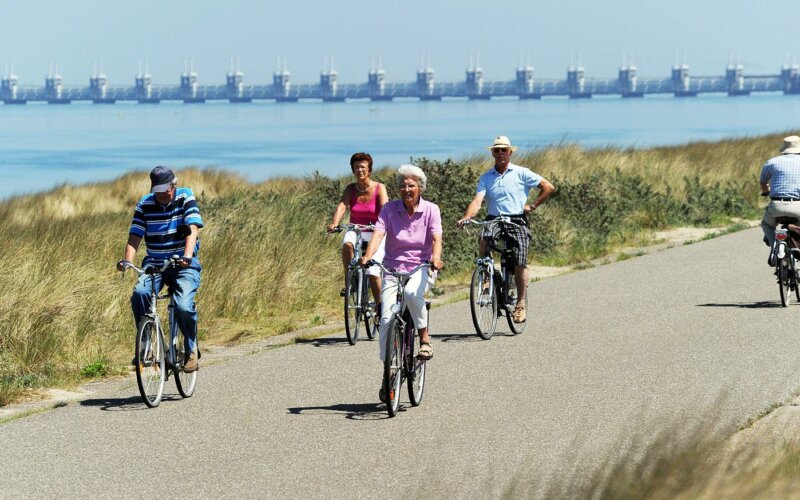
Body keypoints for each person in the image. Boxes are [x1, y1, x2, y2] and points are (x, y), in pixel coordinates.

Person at [361, 164, 443, 399]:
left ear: (420, 187)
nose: (406, 189)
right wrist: (368, 256)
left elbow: (437, 238)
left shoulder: (431, 210)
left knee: (411, 294)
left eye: (411, 185)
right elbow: (378, 234)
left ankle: (424, 338)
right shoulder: (389, 209)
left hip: (422, 266)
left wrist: (436, 258)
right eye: (403, 185)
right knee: (386, 319)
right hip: (392, 267)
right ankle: (388, 371)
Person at [457, 136, 555, 323]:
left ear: (510, 152)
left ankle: (520, 303)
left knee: (520, 260)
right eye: (497, 150)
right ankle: (485, 274)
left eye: (504, 150)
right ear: (492, 153)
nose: (500, 153)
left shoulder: (521, 172)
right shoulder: (486, 177)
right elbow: (477, 201)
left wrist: (532, 206)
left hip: (516, 220)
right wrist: (467, 217)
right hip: (494, 219)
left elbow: (548, 187)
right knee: (484, 237)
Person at [117, 166, 204, 372]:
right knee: (140, 294)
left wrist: (187, 256)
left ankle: (191, 348)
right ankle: (145, 343)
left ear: (174, 185)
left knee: (183, 306)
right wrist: (128, 261)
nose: (163, 193)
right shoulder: (145, 203)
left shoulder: (185, 196)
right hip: (155, 263)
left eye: (166, 188)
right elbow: (135, 235)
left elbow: (192, 228)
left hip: (183, 263)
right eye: (159, 189)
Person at [327, 152, 389, 308]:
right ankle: (350, 280)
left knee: (372, 270)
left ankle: (380, 308)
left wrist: (385, 225)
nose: (359, 170)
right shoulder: (350, 189)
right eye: (356, 167)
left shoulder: (379, 188)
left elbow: (385, 209)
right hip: (356, 229)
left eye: (363, 167)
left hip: (376, 231)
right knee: (347, 244)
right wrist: (335, 223)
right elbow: (342, 206)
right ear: (352, 170)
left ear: (369, 170)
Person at [760, 135, 800, 255]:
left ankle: (774, 248)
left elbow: (763, 182)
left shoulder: (772, 162)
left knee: (766, 224)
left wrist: (766, 191)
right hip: (798, 206)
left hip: (777, 205)